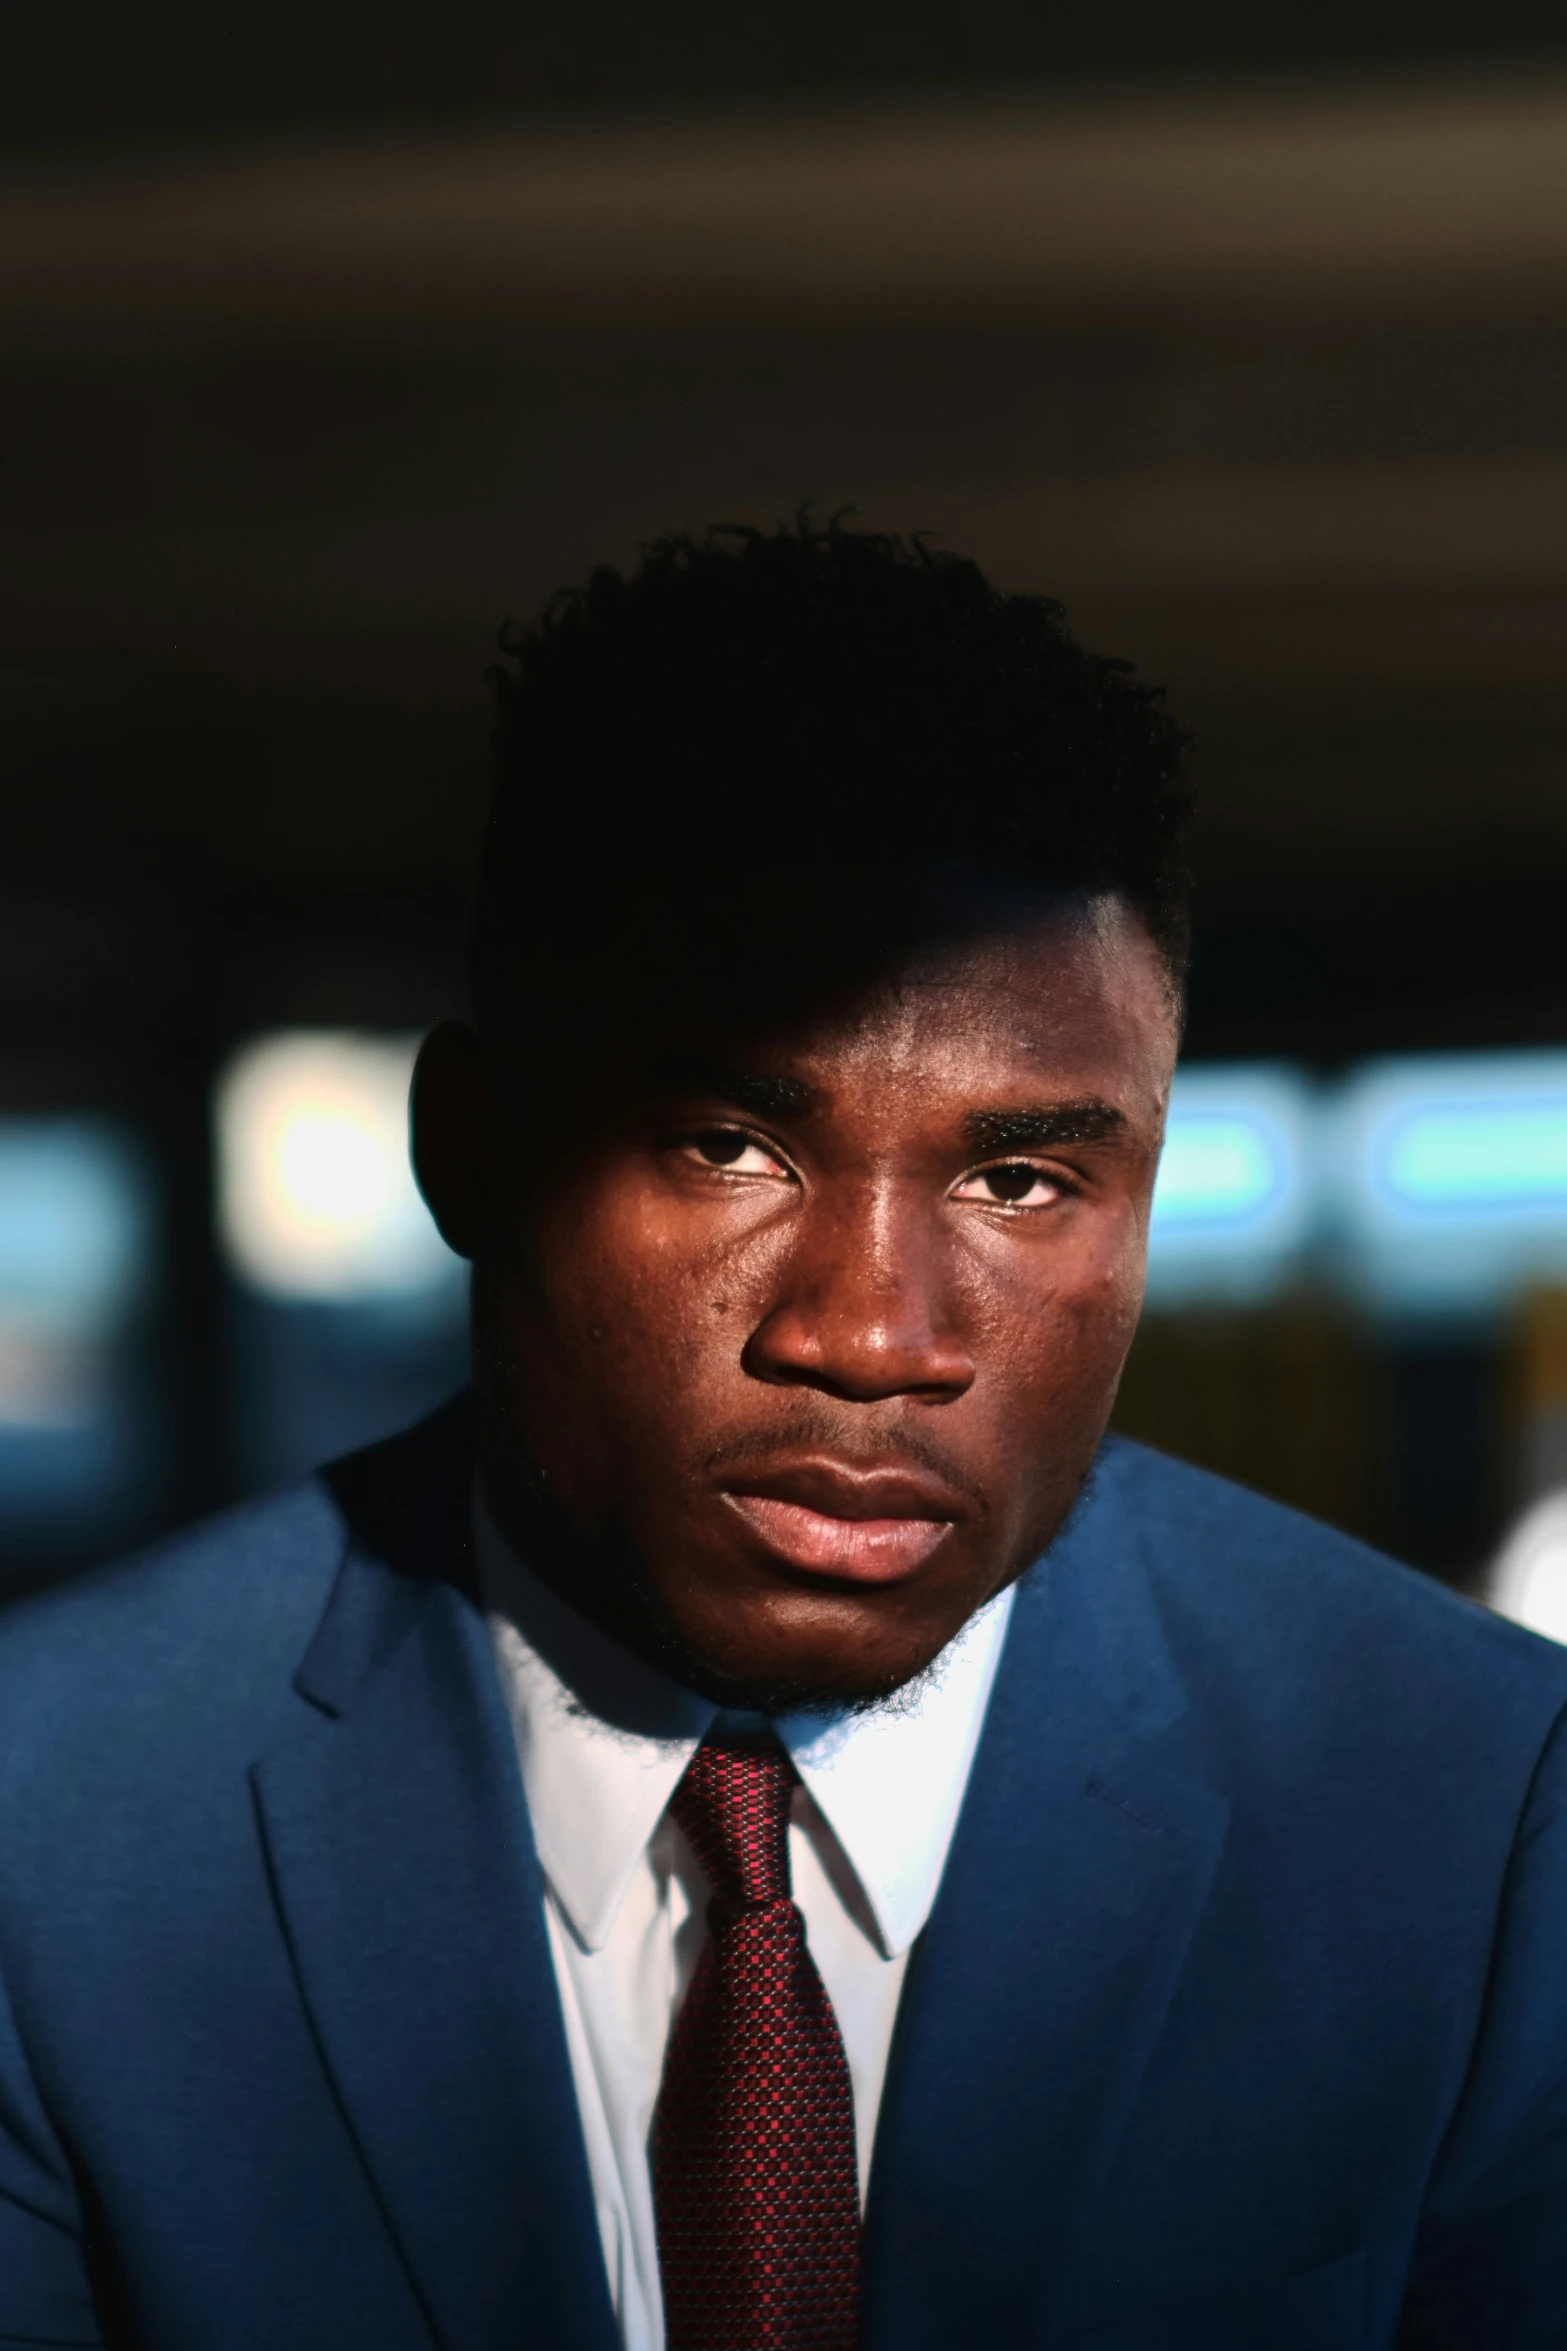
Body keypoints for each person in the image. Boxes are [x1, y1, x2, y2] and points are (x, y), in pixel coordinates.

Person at [2, 520, 1566, 2351]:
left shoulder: (1478, 1813)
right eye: (725, 1145)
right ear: (472, 1154)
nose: (871, 1337)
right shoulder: (49, 1831)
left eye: (1020, 1175)